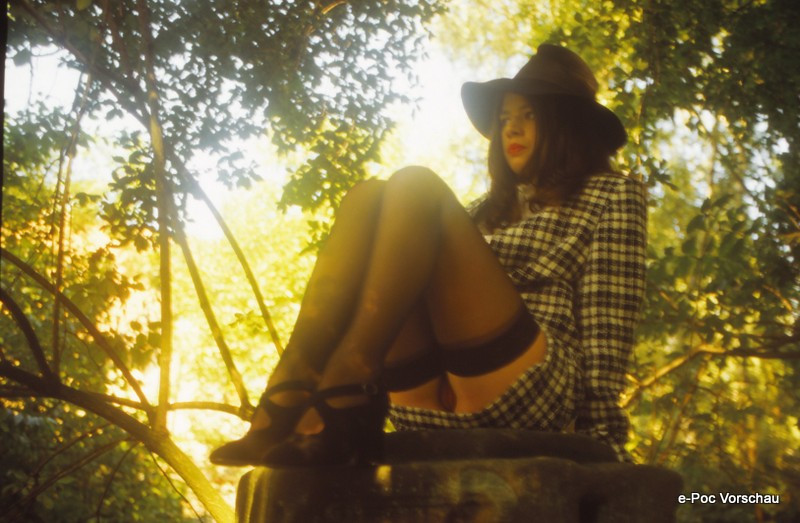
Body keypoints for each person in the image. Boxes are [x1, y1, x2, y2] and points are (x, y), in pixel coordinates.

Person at [210, 43, 647, 467]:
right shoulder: (480, 212)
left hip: (532, 388)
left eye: (529, 115)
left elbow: (607, 323)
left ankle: (345, 384)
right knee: (368, 197)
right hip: (425, 399)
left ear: (567, 123)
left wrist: (602, 441)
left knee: (415, 185)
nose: (511, 129)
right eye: (505, 118)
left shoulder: (612, 194)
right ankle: (295, 382)